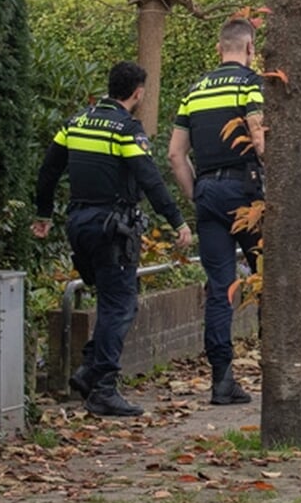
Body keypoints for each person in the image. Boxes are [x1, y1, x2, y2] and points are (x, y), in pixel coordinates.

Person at [34, 61, 193, 417]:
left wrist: (43, 214)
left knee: (111, 301)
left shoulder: (76, 122)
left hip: (78, 225)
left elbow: (48, 170)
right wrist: (178, 220)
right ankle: (101, 384)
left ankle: (90, 371)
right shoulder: (125, 130)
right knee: (120, 305)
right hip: (111, 228)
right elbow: (150, 179)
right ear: (138, 92)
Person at [168, 17, 267, 407]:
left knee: (220, 289)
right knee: (268, 278)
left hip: (208, 191)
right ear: (249, 49)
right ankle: (275, 368)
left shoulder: (194, 92)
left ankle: (222, 381)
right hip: (247, 192)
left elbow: (176, 155)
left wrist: (198, 195)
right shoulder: (250, 83)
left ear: (218, 48)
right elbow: (258, 137)